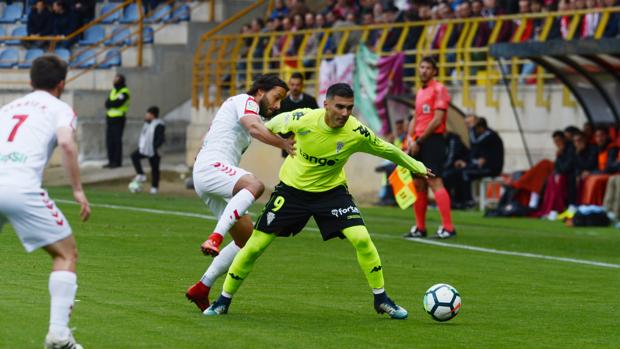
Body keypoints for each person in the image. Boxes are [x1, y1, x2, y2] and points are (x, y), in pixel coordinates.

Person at [203, 83, 431, 319]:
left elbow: (387, 149)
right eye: (339, 107)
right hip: (292, 192)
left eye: (349, 108)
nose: (344, 113)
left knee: (362, 239)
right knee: (255, 246)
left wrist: (417, 166)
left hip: (331, 193)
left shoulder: (356, 132)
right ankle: (222, 301)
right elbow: (265, 126)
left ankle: (382, 299)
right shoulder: (302, 118)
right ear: (326, 105)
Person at [0, 55, 90, 349]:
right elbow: (66, 143)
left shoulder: (8, 107)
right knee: (66, 254)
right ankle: (59, 335)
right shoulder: (60, 108)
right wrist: (77, 189)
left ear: (30, 81)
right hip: (21, 187)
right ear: (62, 84)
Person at [185, 74, 295, 312]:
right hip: (212, 168)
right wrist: (283, 144)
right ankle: (215, 237)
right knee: (255, 186)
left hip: (211, 175)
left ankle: (201, 288)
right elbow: (255, 128)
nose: (276, 106)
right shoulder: (247, 101)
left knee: (247, 242)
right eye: (276, 98)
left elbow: (215, 137)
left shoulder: (237, 108)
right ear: (260, 91)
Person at [403, 56, 456, 239]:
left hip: (433, 140)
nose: (423, 70)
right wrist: (409, 139)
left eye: (428, 68)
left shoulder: (440, 89)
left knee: (434, 181)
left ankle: (448, 227)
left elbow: (437, 120)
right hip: (418, 141)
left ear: (434, 71)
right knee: (418, 184)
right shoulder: (420, 92)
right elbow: (415, 118)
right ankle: (420, 227)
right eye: (421, 67)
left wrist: (420, 141)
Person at [452, 117, 504, 208]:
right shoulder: (479, 137)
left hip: (491, 168)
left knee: (465, 174)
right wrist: (465, 162)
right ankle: (457, 201)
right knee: (456, 173)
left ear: (481, 128)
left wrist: (469, 164)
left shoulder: (490, 137)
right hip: (482, 166)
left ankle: (469, 202)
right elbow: (474, 154)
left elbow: (483, 159)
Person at [278, 72, 319, 157]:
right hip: (290, 145)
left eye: (297, 85)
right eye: (292, 85)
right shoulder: (282, 103)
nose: (294, 88)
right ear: (289, 85)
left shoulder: (311, 101)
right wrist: (287, 138)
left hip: (308, 144)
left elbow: (317, 120)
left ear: (302, 85)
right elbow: (279, 124)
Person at [130, 106, 165, 195]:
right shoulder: (147, 123)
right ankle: (141, 174)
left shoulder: (159, 124)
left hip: (154, 150)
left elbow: (160, 138)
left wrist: (155, 147)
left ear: (152, 115)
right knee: (134, 156)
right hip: (145, 149)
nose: (146, 115)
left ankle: (154, 187)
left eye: (148, 114)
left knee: (155, 168)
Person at [104, 74, 130, 169]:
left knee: (117, 141)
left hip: (119, 119)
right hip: (110, 119)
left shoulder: (124, 92)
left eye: (116, 79)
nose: (114, 80)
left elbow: (117, 103)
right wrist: (111, 104)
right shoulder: (113, 91)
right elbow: (107, 103)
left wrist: (111, 103)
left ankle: (117, 162)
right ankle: (110, 161)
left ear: (121, 80)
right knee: (109, 141)